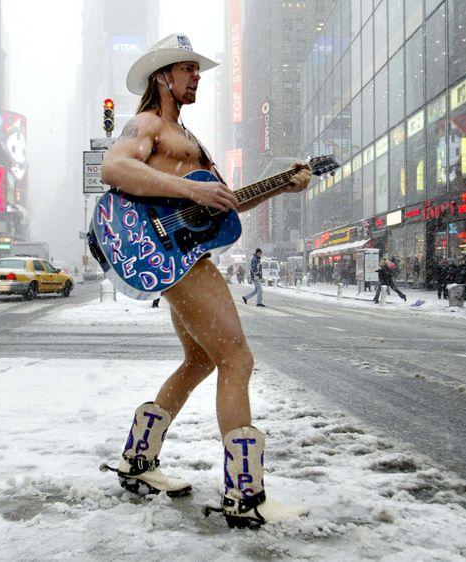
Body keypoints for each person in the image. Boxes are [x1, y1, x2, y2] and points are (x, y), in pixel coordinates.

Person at [98, 34, 312, 527]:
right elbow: (114, 166)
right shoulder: (149, 123)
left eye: (197, 70)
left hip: (183, 253)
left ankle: (137, 461)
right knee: (237, 358)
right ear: (162, 77)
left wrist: (282, 183)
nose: (196, 77)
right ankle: (246, 496)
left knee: (199, 359)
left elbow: (224, 203)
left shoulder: (191, 138)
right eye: (188, 69)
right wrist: (183, 191)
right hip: (175, 258)